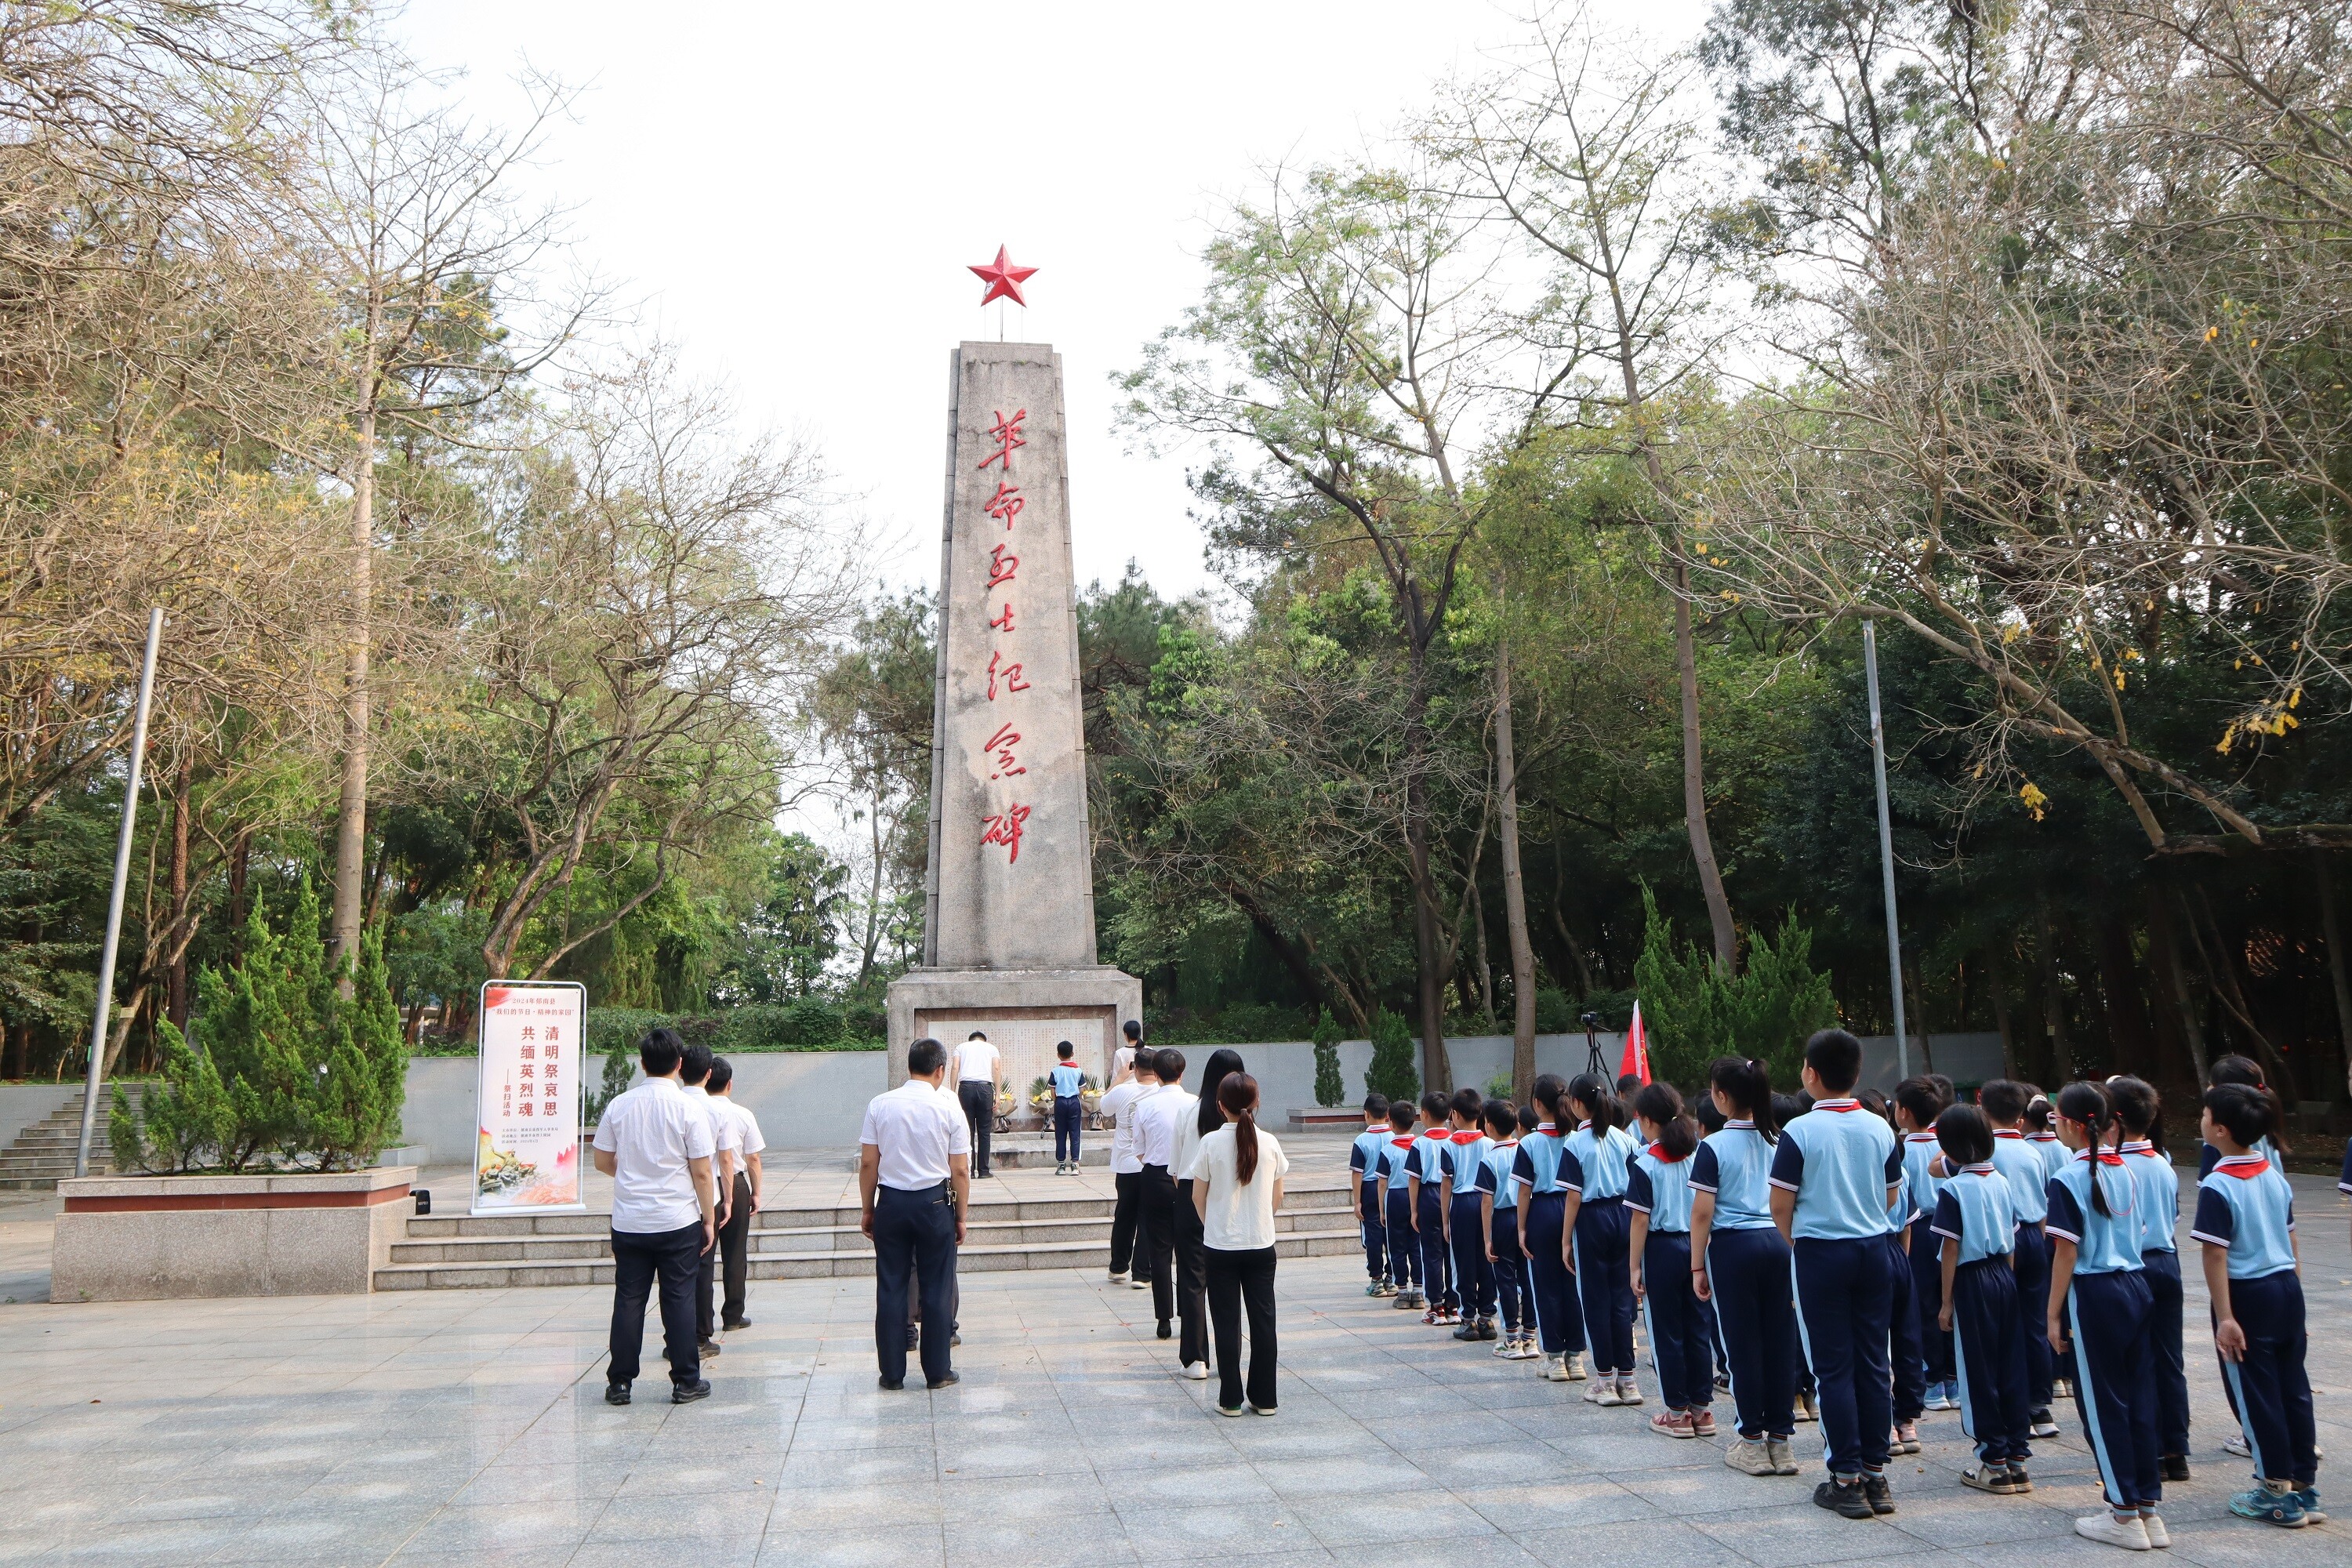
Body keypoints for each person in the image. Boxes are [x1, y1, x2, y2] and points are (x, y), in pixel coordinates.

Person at [1769, 1029, 1904, 1520]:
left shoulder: (1800, 1132)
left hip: (1821, 1253)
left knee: (1832, 1366)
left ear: (1810, 1072)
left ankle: (1845, 1477)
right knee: (1873, 1361)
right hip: (1873, 1250)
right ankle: (1875, 1472)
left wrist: (1799, 1238)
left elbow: (1780, 1204)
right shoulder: (1879, 1127)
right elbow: (1892, 1194)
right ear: (1857, 1072)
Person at [2194, 1081, 2321, 1529]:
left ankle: (2275, 1492)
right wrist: (2298, 1299)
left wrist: (2225, 1316)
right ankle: (2305, 1488)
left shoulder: (2218, 1184)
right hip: (2286, 1288)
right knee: (2294, 1389)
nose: (2202, 1120)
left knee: (2257, 1394)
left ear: (2223, 1130)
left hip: (2247, 1295)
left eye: (2207, 1114)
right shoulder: (2273, 1174)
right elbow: (2291, 1237)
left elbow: (2216, 1253)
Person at [2045, 1080, 2166, 1550]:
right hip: (2136, 1285)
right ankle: (2146, 1508)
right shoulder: (2130, 1170)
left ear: (2075, 1125)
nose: (2054, 1122)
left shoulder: (2069, 1178)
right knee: (2139, 1398)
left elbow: (2066, 1253)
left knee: (2102, 1405)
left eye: (2058, 1117)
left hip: (2096, 1292)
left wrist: (2052, 1315)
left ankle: (2122, 1515)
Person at [592, 1027, 717, 1406]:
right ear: (680, 1065)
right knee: (679, 1299)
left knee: (629, 1298)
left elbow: (601, 1161)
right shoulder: (689, 1108)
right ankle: (685, 1381)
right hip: (677, 1219)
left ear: (642, 1063)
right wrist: (709, 1220)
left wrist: (633, 1174)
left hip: (630, 1220)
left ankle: (620, 1383)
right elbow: (700, 1172)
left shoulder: (619, 1105)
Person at [1693, 1057, 1798, 1472]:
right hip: (1779, 1244)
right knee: (1781, 1343)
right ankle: (1781, 1442)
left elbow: (1702, 1212)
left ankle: (1752, 1442)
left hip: (1734, 1248)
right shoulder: (1780, 1142)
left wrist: (1696, 1265)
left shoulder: (1714, 1146)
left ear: (1721, 1095)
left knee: (1743, 1347)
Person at [1928, 1102, 2031, 1495]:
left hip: (1972, 1280)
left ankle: (1994, 1461)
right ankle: (2017, 1456)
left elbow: (1950, 1250)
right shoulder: (2000, 1181)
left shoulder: (1954, 1190)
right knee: (2009, 1364)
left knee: (1978, 1371)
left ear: (1949, 1146)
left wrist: (1945, 1302)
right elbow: (2011, 1240)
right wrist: (2009, 1279)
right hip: (2003, 1275)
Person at [860, 1037, 970, 1391]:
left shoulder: (880, 1104)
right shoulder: (949, 1108)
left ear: (909, 1066)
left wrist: (868, 1210)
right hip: (935, 1205)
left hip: (891, 1203)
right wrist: (962, 1217)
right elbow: (961, 1170)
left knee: (891, 1286)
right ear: (940, 1070)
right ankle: (938, 1373)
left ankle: (892, 1374)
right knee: (937, 1287)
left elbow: (868, 1163)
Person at [2109, 1076, 2190, 1480]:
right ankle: (2175, 1449)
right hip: (2167, 1263)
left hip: (2132, 1268)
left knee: (2135, 1364)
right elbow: (2171, 1218)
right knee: (2169, 1360)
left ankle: (2147, 1450)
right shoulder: (2163, 1162)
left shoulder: (2116, 1166)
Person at [1193, 1071, 1289, 1417]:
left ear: (1220, 1106)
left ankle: (1231, 1399)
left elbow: (1198, 1197)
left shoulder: (1210, 1144)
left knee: (1226, 1322)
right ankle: (1265, 1398)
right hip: (1262, 1244)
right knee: (1264, 1323)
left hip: (1221, 1246)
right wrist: (1259, 1221)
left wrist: (1215, 1227)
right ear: (1257, 1103)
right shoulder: (1271, 1143)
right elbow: (1277, 1197)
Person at [1627, 1082, 1712, 1437]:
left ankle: (1676, 1413)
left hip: (1662, 1250)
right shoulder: (1698, 1155)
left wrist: (1634, 1266)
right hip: (1697, 1247)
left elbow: (1640, 1219)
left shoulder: (1646, 1163)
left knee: (1666, 1332)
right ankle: (1702, 1411)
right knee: (1698, 1329)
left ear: (1647, 1120)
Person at [1980, 1079, 2060, 1440]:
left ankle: (2011, 1402)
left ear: (1984, 1110)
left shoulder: (1987, 1150)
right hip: (2033, 1236)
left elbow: (1940, 1169)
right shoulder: (2033, 1152)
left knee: (2004, 1325)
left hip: (2003, 1240)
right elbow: (2043, 1205)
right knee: (2034, 1322)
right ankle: (2040, 1406)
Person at [1559, 1073, 1642, 1404]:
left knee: (1595, 1300)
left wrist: (1566, 1241)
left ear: (1577, 1104)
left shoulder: (1575, 1144)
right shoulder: (1625, 1140)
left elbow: (1573, 1197)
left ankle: (1605, 1381)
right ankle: (1629, 1380)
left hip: (1592, 1220)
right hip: (1624, 1215)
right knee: (1622, 1301)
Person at [1514, 1074, 1588, 1381]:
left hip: (1542, 1212)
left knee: (1545, 1287)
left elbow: (1523, 1191)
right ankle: (1577, 1358)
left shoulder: (1529, 1143)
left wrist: (1521, 1229)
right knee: (1574, 1285)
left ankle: (1555, 1358)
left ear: (1536, 1104)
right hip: (1575, 1210)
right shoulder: (1577, 1138)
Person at [1174, 1048, 1241, 1383]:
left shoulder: (1190, 1111)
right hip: (1232, 1202)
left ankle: (1196, 1358)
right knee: (1227, 1282)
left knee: (1192, 1278)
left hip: (1191, 1199)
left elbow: (1175, 1168)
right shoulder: (1249, 1123)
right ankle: (1231, 1357)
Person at [1895, 1076, 1958, 1416]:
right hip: (1949, 1229)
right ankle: (1952, 1378)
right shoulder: (1945, 1146)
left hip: (1917, 1229)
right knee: (1948, 1302)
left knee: (1924, 1305)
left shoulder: (1902, 1149)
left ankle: (1932, 1383)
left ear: (1902, 1112)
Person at [1135, 1047, 1196, 1350]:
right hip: (1187, 1180)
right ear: (1182, 1073)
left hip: (1156, 1178)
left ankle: (1163, 1319)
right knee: (1188, 1249)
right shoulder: (1196, 1103)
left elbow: (1140, 1150)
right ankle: (1189, 1310)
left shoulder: (1145, 1105)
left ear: (1155, 1074)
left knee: (1159, 1249)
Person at [678, 1041, 735, 1360]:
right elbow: (725, 1161)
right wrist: (726, 1200)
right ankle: (699, 1337)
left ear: (679, 1068)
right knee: (702, 1272)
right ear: (709, 1073)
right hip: (704, 1197)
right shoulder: (718, 1108)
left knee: (674, 1278)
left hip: (671, 1197)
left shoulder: (669, 1102)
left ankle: (675, 1338)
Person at [707, 1056, 765, 1332]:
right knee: (735, 1253)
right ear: (729, 1084)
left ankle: (701, 1322)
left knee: (701, 1256)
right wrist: (756, 1192)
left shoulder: (695, 1110)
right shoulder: (742, 1114)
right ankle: (733, 1316)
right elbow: (752, 1158)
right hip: (737, 1186)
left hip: (701, 1187)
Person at [1477, 1098, 1537, 1360]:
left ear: (1488, 1126)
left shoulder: (1490, 1160)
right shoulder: (1526, 1150)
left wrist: (1487, 1238)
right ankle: (1531, 1338)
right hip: (1528, 1217)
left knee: (1505, 1279)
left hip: (1502, 1220)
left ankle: (1512, 1339)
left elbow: (1487, 1201)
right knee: (1529, 1279)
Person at [1441, 1087, 1497, 1343]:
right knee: (1488, 1258)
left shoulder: (1449, 1145)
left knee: (1463, 1263)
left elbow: (1446, 1185)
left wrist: (1445, 1222)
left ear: (1454, 1114)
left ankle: (1468, 1319)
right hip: (1487, 1203)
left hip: (1462, 1205)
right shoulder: (1490, 1143)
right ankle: (1487, 1318)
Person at [1099, 1050, 1160, 1286]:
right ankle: (1142, 1274)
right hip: (1152, 1164)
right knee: (1147, 1217)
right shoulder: (1161, 1092)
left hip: (1126, 1163)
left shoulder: (1123, 1090)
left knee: (1124, 1215)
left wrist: (1119, 1078)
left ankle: (1118, 1267)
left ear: (1135, 1067)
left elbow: (1103, 1108)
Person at [1409, 1091, 1458, 1326]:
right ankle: (1454, 1306)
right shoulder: (1454, 1140)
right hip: (1452, 1196)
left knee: (1431, 1253)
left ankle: (1435, 1307)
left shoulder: (1419, 1143)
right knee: (1452, 1253)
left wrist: (1414, 1210)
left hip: (1429, 1197)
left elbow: (1414, 1179)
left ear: (1424, 1115)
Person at [1378, 1101, 1424, 1309]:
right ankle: (1419, 1291)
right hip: (1417, 1197)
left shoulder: (1387, 1150)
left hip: (1395, 1198)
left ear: (1391, 1121)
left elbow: (1382, 1181)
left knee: (1396, 1246)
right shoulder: (1420, 1146)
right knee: (1417, 1245)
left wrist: (1381, 1209)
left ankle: (1402, 1293)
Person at [1348, 1093, 1394, 1296]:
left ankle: (1376, 1280)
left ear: (1366, 1114)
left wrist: (1357, 1201)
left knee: (1373, 1235)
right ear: (1387, 1115)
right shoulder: (1395, 1137)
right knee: (1394, 1234)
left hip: (1369, 1190)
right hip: (1393, 1190)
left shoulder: (1361, 1140)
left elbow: (1357, 1173)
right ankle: (1393, 1279)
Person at [949, 1031, 1004, 1180]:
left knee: (968, 1132)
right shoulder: (991, 1048)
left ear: (970, 1039)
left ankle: (969, 1171)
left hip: (965, 1088)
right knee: (984, 1132)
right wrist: (997, 1095)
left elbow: (955, 1068)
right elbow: (997, 1069)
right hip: (985, 1089)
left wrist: (952, 1093)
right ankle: (984, 1171)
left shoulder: (961, 1047)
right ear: (983, 1040)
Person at [1050, 1041, 1086, 1174]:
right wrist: (1078, 1099)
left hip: (1060, 1102)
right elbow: (1082, 1089)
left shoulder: (1055, 1071)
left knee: (1060, 1134)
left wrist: (1057, 1101)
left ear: (1058, 1055)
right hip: (1074, 1102)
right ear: (1072, 1054)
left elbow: (1052, 1091)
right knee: (1075, 1133)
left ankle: (1061, 1165)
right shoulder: (1078, 1070)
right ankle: (1075, 1165)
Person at [1112, 1017, 1143, 1082]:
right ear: (1139, 1033)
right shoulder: (1149, 1051)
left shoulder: (1120, 1053)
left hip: (1125, 1089)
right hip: (1147, 1088)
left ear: (1126, 1035)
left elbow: (1116, 1076)